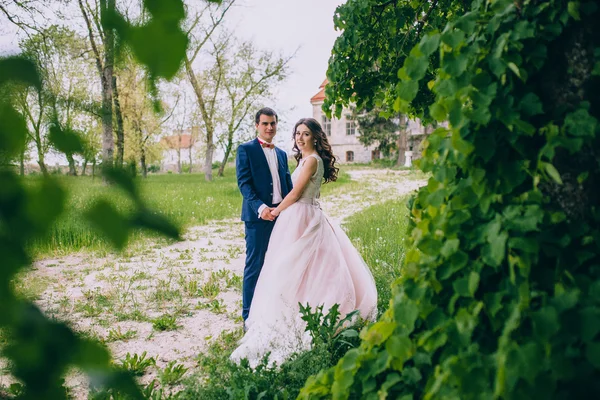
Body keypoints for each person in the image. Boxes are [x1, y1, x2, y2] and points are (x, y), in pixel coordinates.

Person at [230, 117, 378, 367]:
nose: (300, 137)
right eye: (297, 133)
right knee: (298, 267)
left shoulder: (311, 161)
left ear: (315, 137)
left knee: (298, 266)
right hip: (301, 214)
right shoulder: (304, 159)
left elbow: (296, 193)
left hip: (301, 215)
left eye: (306, 134)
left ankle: (299, 316)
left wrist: (275, 211)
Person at [236, 107, 293, 327]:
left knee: (279, 264)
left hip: (281, 216)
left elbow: (287, 185)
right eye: (265, 124)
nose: (270, 127)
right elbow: (244, 183)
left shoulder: (281, 154)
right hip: (257, 218)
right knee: (255, 264)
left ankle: (273, 311)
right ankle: (248, 317)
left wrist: (288, 211)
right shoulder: (246, 149)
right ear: (257, 125)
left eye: (273, 123)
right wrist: (261, 208)